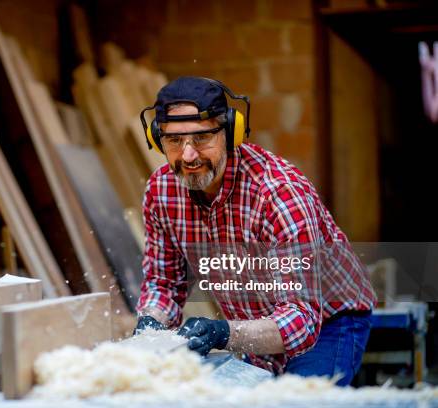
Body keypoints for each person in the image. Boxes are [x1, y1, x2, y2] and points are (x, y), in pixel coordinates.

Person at [135, 76, 376, 386]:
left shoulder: (280, 194)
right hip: (255, 320)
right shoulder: (161, 191)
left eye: (202, 138)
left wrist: (224, 333)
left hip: (327, 319)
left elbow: (301, 320)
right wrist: (151, 323)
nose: (188, 156)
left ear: (230, 133)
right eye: (174, 141)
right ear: (157, 141)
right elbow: (164, 282)